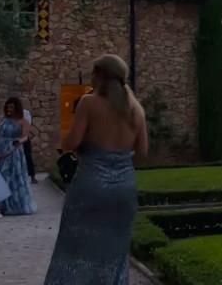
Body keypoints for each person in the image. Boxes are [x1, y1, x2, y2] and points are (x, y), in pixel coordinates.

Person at [44, 54, 148, 284]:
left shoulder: (89, 103)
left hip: (91, 182)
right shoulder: (136, 110)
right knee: (114, 251)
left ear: (100, 75)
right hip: (124, 187)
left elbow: (71, 142)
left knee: (74, 247)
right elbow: (143, 150)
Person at [0, 97, 37, 216]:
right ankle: (2, 205)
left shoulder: (23, 121)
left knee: (14, 177)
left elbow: (25, 136)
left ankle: (15, 204)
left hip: (14, 152)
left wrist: (19, 141)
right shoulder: (2, 119)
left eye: (12, 107)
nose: (9, 109)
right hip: (1, 151)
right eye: (8, 107)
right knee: (1, 177)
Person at [21, 98, 38, 184]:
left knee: (28, 157)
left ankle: (32, 177)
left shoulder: (26, 113)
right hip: (16, 138)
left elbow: (28, 125)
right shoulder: (13, 114)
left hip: (24, 138)